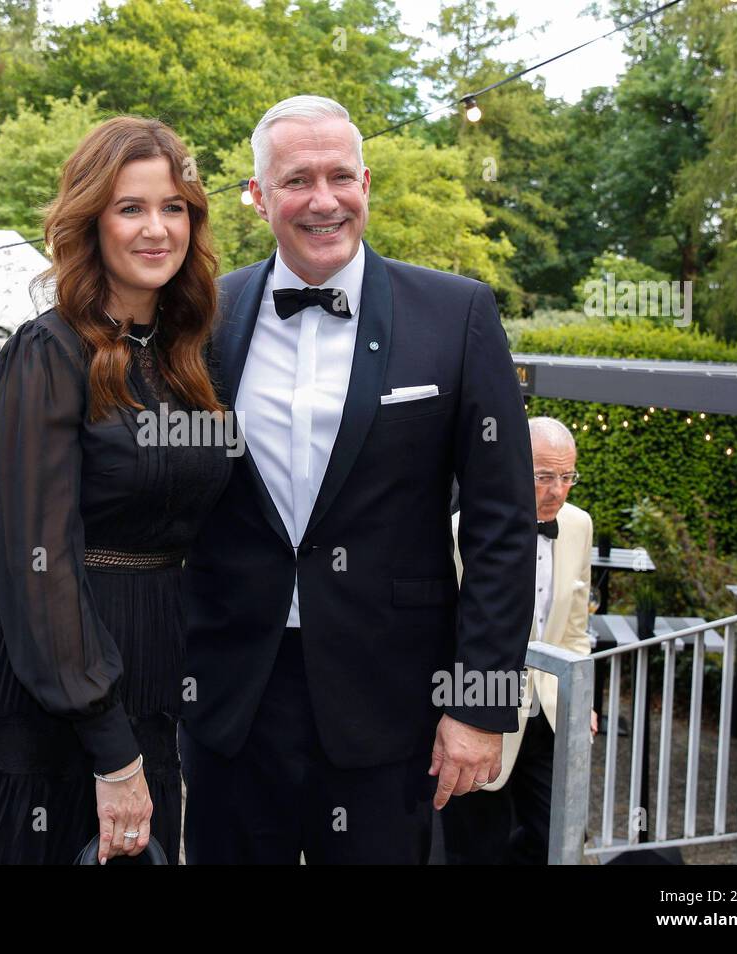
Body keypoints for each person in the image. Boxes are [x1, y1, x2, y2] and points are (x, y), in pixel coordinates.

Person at [179, 95, 536, 864]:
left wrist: (479, 706)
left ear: (367, 183)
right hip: (232, 698)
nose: (323, 200)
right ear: (258, 194)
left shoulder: (458, 313)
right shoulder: (203, 316)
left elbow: (502, 523)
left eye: (341, 176)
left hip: (394, 702)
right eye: (297, 179)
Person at [0, 116, 231, 865]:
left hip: (145, 672)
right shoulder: (48, 351)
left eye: (174, 207)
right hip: (42, 677)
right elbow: (35, 558)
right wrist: (111, 751)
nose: (157, 229)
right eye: (131, 208)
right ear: (91, 222)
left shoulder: (188, 359)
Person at [441, 416, 597, 864]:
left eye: (568, 477)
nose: (558, 490)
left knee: (559, 838)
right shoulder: (464, 528)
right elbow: (452, 631)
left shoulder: (580, 525)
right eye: (545, 476)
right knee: (475, 846)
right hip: (483, 713)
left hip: (549, 712)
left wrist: (579, 696)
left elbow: (573, 627)